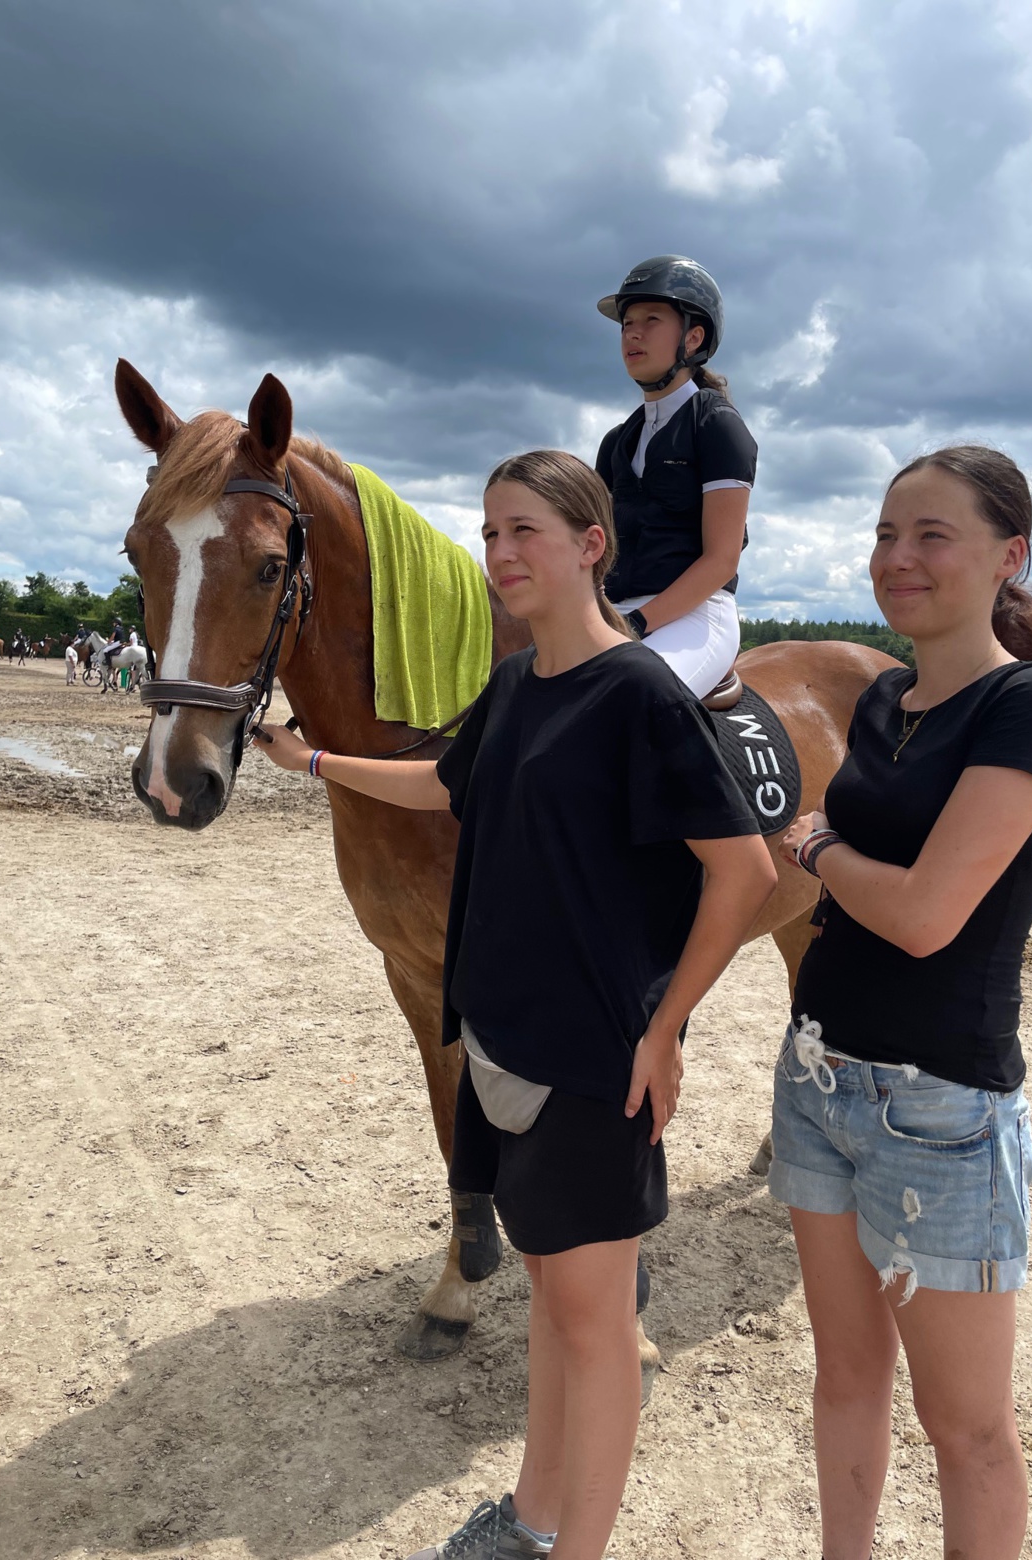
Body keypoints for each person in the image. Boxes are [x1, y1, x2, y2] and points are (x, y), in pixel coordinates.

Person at [255, 449, 778, 1560]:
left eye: (524, 531)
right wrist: (315, 765)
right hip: (502, 1045)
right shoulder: (515, 684)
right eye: (488, 533)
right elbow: (448, 783)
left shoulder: (638, 692)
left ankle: (572, 1547)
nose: (498, 555)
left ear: (591, 547)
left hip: (593, 1060)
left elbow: (747, 874)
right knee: (553, 1304)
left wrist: (666, 1026)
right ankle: (531, 1520)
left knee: (596, 1331)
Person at [772, 446, 1032, 1560]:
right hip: (816, 1077)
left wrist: (818, 842)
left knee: (969, 1430)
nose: (897, 559)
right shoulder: (890, 698)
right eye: (885, 534)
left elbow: (923, 917)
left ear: (1009, 556)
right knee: (844, 1378)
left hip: (940, 1109)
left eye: (930, 536)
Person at [594, 255, 759, 699]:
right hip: (615, 612)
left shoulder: (718, 426)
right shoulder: (615, 443)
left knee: (628, 701)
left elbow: (722, 560)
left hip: (696, 618)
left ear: (693, 336)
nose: (632, 331)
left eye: (651, 319)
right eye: (627, 322)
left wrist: (638, 622)